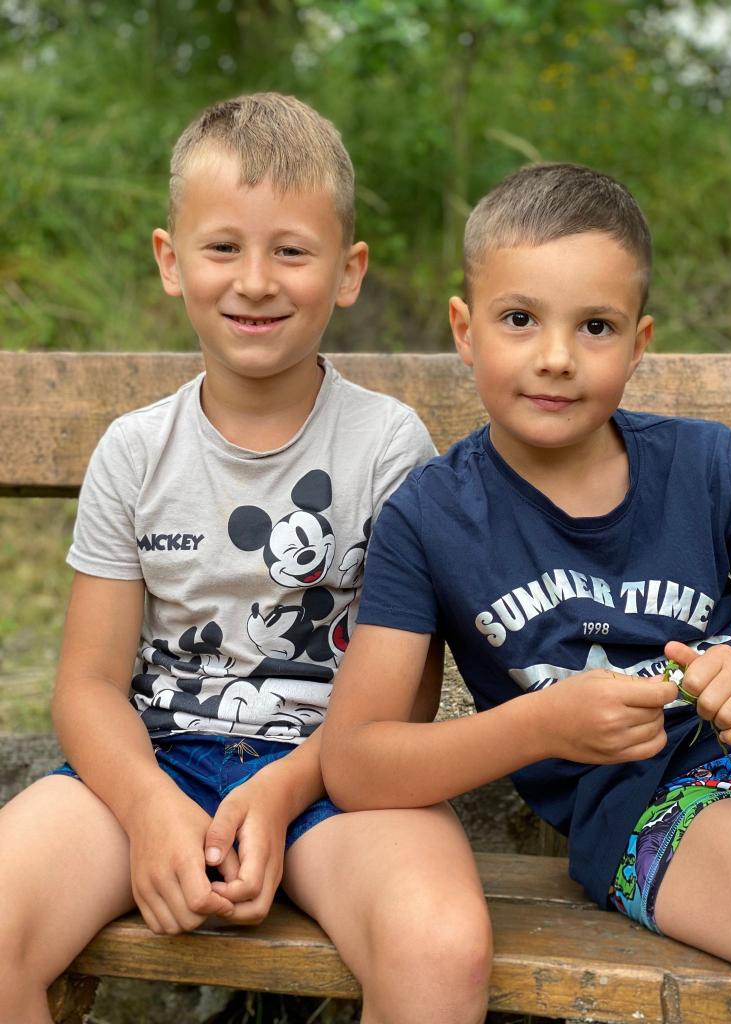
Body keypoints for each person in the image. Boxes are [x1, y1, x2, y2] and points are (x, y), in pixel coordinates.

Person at [0, 93, 493, 1024]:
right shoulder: (135, 453)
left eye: (292, 252)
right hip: (157, 763)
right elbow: (88, 686)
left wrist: (281, 791)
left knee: (439, 944)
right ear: (170, 260)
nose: (256, 281)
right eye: (223, 247)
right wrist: (146, 807)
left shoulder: (387, 448)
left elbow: (407, 696)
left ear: (348, 272)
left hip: (338, 778)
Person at [321, 162, 731, 978]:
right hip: (657, 809)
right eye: (520, 318)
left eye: (595, 326)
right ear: (465, 330)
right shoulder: (430, 519)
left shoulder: (708, 468)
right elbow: (355, 764)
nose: (557, 357)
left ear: (639, 344)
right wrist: (541, 727)